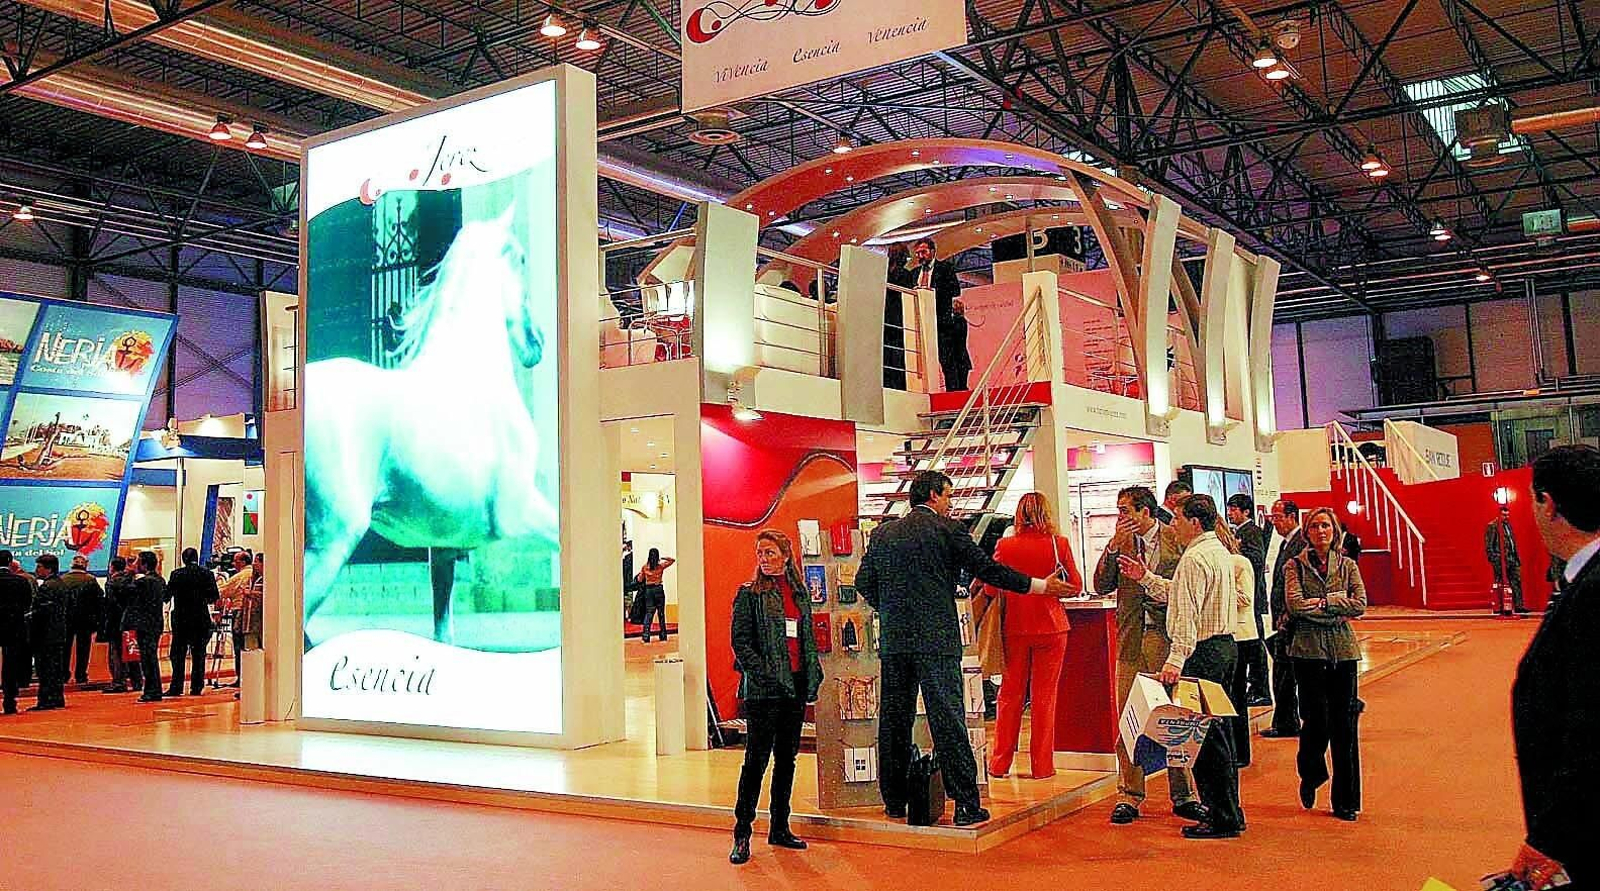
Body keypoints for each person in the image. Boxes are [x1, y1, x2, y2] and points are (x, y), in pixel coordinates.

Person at [856, 471, 1072, 826]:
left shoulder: (883, 534)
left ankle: (894, 801)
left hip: (896, 641)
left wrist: (893, 609)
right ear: (933, 495)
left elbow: (865, 582)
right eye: (947, 496)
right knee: (947, 719)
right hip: (937, 640)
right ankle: (966, 804)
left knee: (894, 720)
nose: (951, 502)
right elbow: (989, 571)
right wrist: (1039, 586)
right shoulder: (949, 531)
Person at [1119, 495, 1245, 839]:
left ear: (1194, 522)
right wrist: (1146, 577)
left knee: (1204, 741)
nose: (1171, 524)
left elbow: (1186, 614)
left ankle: (1221, 817)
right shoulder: (1217, 551)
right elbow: (1182, 593)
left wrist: (1175, 661)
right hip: (1223, 649)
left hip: (1202, 654)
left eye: (1176, 518)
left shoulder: (1193, 558)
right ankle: (1230, 811)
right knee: (1220, 737)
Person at [1507, 445, 1600, 888]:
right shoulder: (1582, 580)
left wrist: (1551, 836)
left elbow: (1592, 730)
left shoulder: (1594, 593)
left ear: (1549, 504)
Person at [1095, 485, 1202, 825]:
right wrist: (1111, 547)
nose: (1121, 517)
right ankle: (1129, 794)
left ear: (1145, 511)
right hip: (1129, 644)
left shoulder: (1177, 538)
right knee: (1129, 719)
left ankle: (1184, 794)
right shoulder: (1120, 544)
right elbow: (1101, 585)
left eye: (1125, 510)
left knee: (1175, 718)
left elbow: (1188, 590)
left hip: (1168, 643)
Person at [728, 529, 823, 865]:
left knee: (787, 759)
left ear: (786, 555)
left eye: (770, 553)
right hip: (763, 692)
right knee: (755, 761)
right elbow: (741, 644)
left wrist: (809, 677)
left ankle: (780, 826)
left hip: (794, 688)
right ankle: (742, 832)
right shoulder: (749, 594)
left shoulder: (799, 593)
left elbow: (807, 640)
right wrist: (766, 674)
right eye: (760, 554)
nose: (764, 559)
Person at [978, 493, 1080, 780]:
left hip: (1014, 628)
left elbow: (989, 589)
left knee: (1009, 696)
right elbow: (1076, 585)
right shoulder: (1058, 544)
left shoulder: (1005, 546)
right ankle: (1042, 766)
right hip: (1053, 627)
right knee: (1044, 698)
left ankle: (1000, 763)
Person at [1284, 507, 1366, 822]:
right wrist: (1335, 606)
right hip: (1307, 653)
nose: (1321, 531)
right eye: (1316, 526)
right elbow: (1295, 605)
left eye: (1326, 526)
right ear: (1308, 531)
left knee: (1345, 727)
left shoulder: (1347, 564)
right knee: (1315, 722)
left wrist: (1322, 603)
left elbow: (1359, 603)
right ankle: (1312, 772)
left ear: (1335, 531)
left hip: (1344, 653)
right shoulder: (1295, 566)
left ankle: (1346, 801)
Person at [1262, 499, 1306, 739]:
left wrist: (1287, 614)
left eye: (1277, 517)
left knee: (1284, 675)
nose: (1274, 522)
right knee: (1283, 674)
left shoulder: (1299, 544)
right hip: (1283, 620)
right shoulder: (1285, 544)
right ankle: (1286, 720)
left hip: (1290, 622)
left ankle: (1287, 722)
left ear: (1291, 517)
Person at [1226, 494, 1271, 708]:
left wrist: (1238, 552)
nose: (1230, 513)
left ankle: (1260, 689)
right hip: (1250, 598)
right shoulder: (1242, 532)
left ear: (1246, 512)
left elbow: (1256, 562)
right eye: (1229, 509)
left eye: (1234, 509)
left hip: (1250, 598)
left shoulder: (1250, 532)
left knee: (1255, 647)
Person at [911, 238, 970, 392]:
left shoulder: (945, 268)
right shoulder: (914, 273)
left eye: (923, 252)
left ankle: (953, 393)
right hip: (919, 323)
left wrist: (933, 294)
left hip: (941, 322)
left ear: (932, 251)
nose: (920, 256)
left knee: (947, 360)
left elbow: (955, 290)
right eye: (917, 253)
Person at [166, 548, 219, 696]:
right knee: (199, 654)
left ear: (184, 559)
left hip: (181, 619)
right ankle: (196, 687)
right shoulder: (207, 574)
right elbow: (213, 596)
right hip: (200, 618)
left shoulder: (177, 574)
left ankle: (176, 686)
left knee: (177, 654)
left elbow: (167, 595)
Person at [29, 554, 69, 711]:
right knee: (56, 668)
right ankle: (57, 697)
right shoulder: (62, 585)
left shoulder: (46, 587)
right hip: (59, 632)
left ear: (48, 568)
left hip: (45, 634)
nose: (36, 570)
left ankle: (45, 700)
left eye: (39, 566)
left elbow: (40, 612)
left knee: (45, 669)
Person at [127, 551, 167, 702]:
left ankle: (152, 690)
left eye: (137, 562)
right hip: (156, 623)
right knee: (151, 657)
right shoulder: (160, 580)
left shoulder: (143, 582)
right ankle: (154, 689)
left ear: (144, 564)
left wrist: (129, 574)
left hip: (145, 624)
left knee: (147, 659)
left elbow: (125, 592)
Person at [61, 554, 104, 686]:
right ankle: (81, 674)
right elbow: (99, 600)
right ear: (85, 565)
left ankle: (64, 674)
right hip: (86, 620)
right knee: (83, 649)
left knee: (65, 648)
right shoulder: (90, 580)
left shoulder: (63, 579)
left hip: (66, 619)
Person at [0, 551, 32, 714]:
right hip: (14, 627)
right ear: (10, 562)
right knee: (11, 664)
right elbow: (27, 604)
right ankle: (9, 700)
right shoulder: (21, 581)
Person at [103, 557, 140, 693]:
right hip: (131, 621)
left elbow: (111, 604)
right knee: (131, 651)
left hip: (115, 622)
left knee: (117, 653)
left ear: (112, 567)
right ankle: (137, 681)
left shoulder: (111, 583)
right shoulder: (132, 581)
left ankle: (119, 682)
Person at [216, 551, 254, 683]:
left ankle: (241, 678)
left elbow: (223, 591)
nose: (233, 564)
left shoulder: (240, 576)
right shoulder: (253, 574)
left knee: (239, 646)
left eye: (235, 561)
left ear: (243, 562)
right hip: (250, 614)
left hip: (239, 612)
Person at [1485, 506, 1529, 614]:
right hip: (1501, 561)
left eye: (1507, 514)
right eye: (1504, 515)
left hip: (1512, 558)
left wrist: (1516, 557)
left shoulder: (1508, 526)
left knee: (1516, 581)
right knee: (1500, 582)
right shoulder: (1492, 526)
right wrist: (1496, 559)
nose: (1506, 517)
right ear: (1499, 514)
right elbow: (1489, 545)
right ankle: (1499, 607)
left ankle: (1519, 606)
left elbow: (1511, 542)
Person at [884, 243, 913, 391]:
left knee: (888, 354)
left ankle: (890, 385)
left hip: (885, 318)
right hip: (899, 319)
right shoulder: (906, 275)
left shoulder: (883, 273)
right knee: (897, 356)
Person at [635, 548, 675, 643]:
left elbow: (640, 579)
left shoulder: (645, 567)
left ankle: (646, 636)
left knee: (649, 613)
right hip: (658, 589)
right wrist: (662, 557)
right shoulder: (660, 566)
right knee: (661, 614)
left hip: (649, 591)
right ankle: (663, 635)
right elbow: (672, 560)